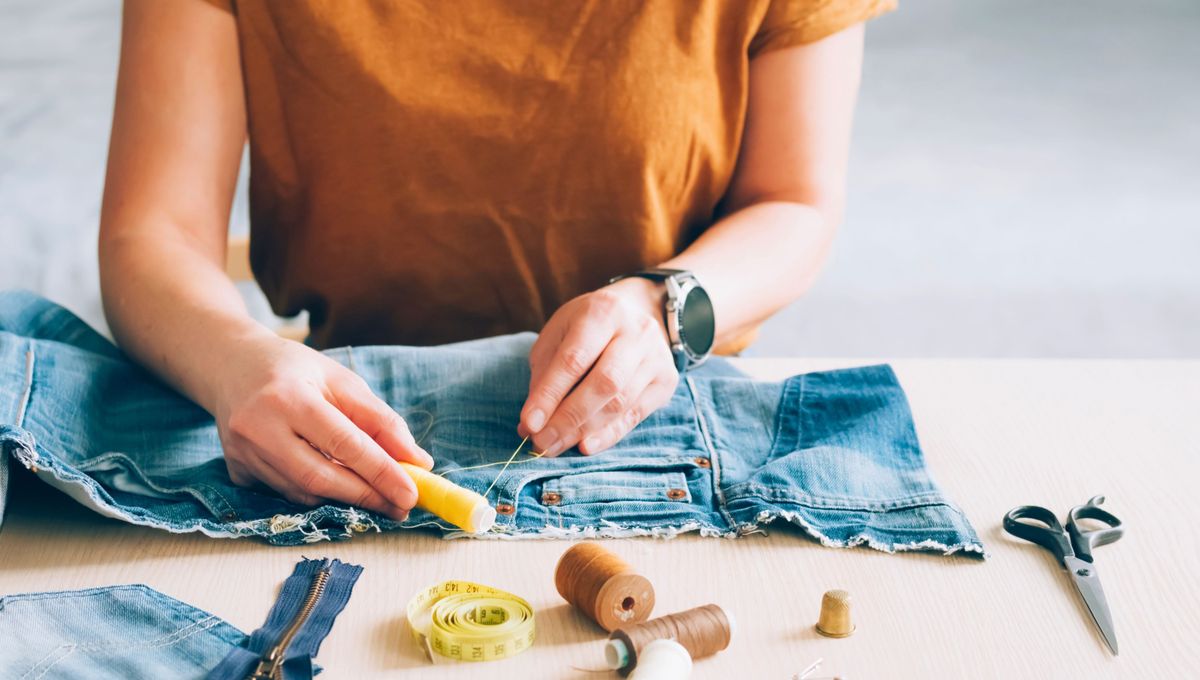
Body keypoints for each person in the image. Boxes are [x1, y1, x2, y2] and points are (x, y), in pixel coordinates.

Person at [98, 0, 894, 522]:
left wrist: (666, 307)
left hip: (662, 424)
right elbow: (153, 232)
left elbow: (793, 202)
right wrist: (232, 361)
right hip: (339, 428)